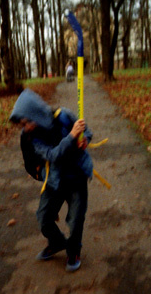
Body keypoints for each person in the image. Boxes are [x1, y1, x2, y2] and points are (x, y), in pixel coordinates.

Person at [10, 89, 93, 272]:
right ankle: (56, 242)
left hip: (77, 177)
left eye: (27, 122)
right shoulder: (33, 138)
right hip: (55, 180)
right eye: (22, 125)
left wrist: (84, 139)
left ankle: (74, 251)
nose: (26, 128)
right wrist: (71, 137)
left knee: (75, 219)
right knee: (44, 216)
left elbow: (87, 131)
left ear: (36, 114)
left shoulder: (64, 116)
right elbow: (53, 155)